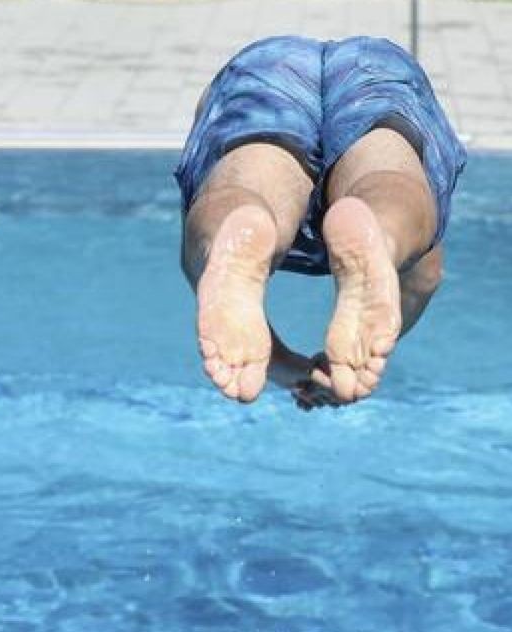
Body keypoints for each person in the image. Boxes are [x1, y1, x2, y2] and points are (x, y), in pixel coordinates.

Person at [175, 36, 466, 409]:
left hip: (273, 66)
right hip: (375, 69)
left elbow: (195, 255)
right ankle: (382, 231)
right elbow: (425, 275)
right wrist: (345, 360)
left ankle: (241, 218)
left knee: (251, 175)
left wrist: (279, 365)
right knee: (384, 172)